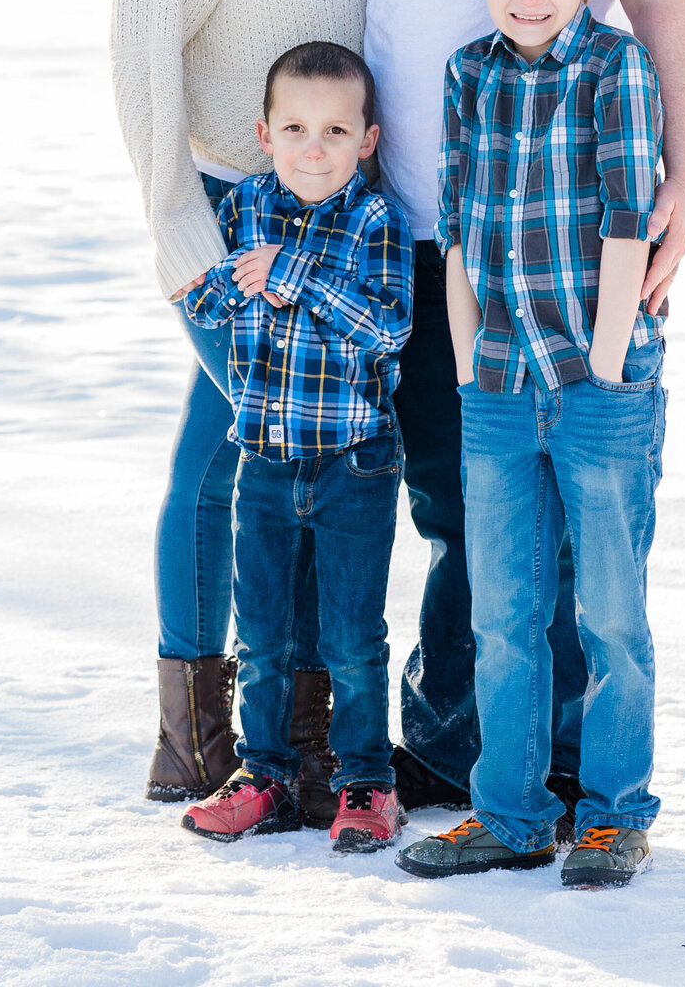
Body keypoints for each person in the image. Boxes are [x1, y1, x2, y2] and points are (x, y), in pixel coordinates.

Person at [364, 0, 685, 812]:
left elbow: (663, 4)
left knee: (570, 504)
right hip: (416, 219)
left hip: (555, 239)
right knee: (457, 502)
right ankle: (460, 740)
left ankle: (568, 762)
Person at [111, 0, 377, 819]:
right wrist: (184, 241)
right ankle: (239, 733)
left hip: (333, 210)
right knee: (253, 459)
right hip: (232, 210)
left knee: (250, 450)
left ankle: (255, 737)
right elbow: (141, 59)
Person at [396, 0, 665, 888]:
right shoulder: (470, 75)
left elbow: (630, 218)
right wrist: (470, 368)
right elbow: (458, 230)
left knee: (608, 614)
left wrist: (598, 367)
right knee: (502, 615)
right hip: (498, 385)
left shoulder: (614, 68)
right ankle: (507, 813)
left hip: (600, 387)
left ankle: (611, 814)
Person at [178, 42, 414, 853]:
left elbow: (390, 327)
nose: (315, 148)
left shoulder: (377, 220)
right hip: (267, 462)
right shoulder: (242, 208)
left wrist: (295, 273)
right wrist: (229, 275)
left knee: (352, 638)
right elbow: (210, 304)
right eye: (296, 128)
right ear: (265, 132)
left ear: (368, 139)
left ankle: (364, 783)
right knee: (265, 633)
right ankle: (266, 774)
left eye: (337, 131)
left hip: (355, 463)